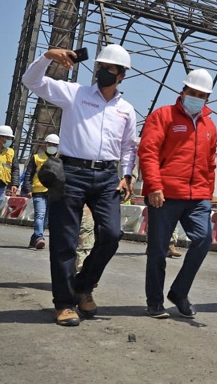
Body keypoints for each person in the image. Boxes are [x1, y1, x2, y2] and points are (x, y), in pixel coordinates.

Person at [22, 44, 137, 326]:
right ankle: (64, 304)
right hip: (71, 171)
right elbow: (31, 81)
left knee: (111, 234)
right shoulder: (75, 94)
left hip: (107, 176)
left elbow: (128, 147)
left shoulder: (126, 110)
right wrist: (48, 56)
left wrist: (127, 175)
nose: (102, 72)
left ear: (121, 75)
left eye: (109, 69)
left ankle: (83, 285)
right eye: (100, 66)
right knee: (65, 240)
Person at [138, 69, 217, 319]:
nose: (196, 97)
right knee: (158, 250)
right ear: (182, 92)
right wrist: (154, 186)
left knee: (204, 240)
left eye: (201, 95)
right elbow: (148, 152)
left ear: (207, 98)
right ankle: (154, 301)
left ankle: (179, 292)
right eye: (192, 93)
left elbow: (211, 164)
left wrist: (208, 195)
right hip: (165, 195)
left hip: (197, 197)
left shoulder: (209, 126)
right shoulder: (163, 116)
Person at [22, 134, 60, 249]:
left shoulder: (60, 160)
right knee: (40, 214)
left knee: (46, 218)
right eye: (50, 144)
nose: (52, 147)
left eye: (55, 145)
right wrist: (27, 189)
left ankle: (34, 240)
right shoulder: (36, 158)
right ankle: (39, 237)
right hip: (38, 190)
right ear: (45, 145)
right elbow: (28, 174)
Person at [0, 124, 20, 199]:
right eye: (7, 137)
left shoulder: (11, 152)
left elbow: (15, 169)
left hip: (2, 185)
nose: (9, 140)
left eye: (10, 138)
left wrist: (14, 184)